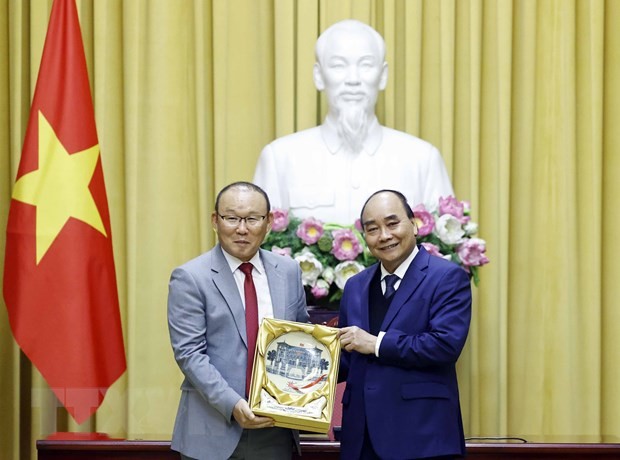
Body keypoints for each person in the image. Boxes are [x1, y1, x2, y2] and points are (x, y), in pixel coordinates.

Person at [253, 19, 453, 225]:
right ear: (319, 76)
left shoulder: (421, 159)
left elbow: (445, 249)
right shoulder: (280, 159)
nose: (353, 79)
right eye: (338, 66)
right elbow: (257, 246)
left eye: (366, 65)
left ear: (383, 75)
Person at [167, 181, 309, 460]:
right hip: (211, 427)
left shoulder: (289, 271)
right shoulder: (190, 277)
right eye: (231, 218)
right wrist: (232, 404)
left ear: (268, 223)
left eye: (252, 219)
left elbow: (301, 339)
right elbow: (190, 354)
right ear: (215, 221)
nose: (242, 229)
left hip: (274, 430)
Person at [337, 189, 471, 460]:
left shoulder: (447, 277)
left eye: (392, 223)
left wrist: (376, 343)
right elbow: (348, 359)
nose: (384, 235)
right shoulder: (355, 286)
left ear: (414, 224)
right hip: (360, 439)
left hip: (421, 437)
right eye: (372, 229)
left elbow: (444, 345)